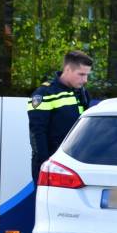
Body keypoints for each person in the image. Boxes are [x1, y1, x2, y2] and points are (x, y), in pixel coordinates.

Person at [28, 51, 93, 187]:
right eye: (81, 74)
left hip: (76, 161)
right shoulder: (44, 93)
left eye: (87, 75)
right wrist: (46, 166)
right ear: (67, 69)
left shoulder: (81, 92)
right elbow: (37, 133)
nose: (85, 80)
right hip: (53, 165)